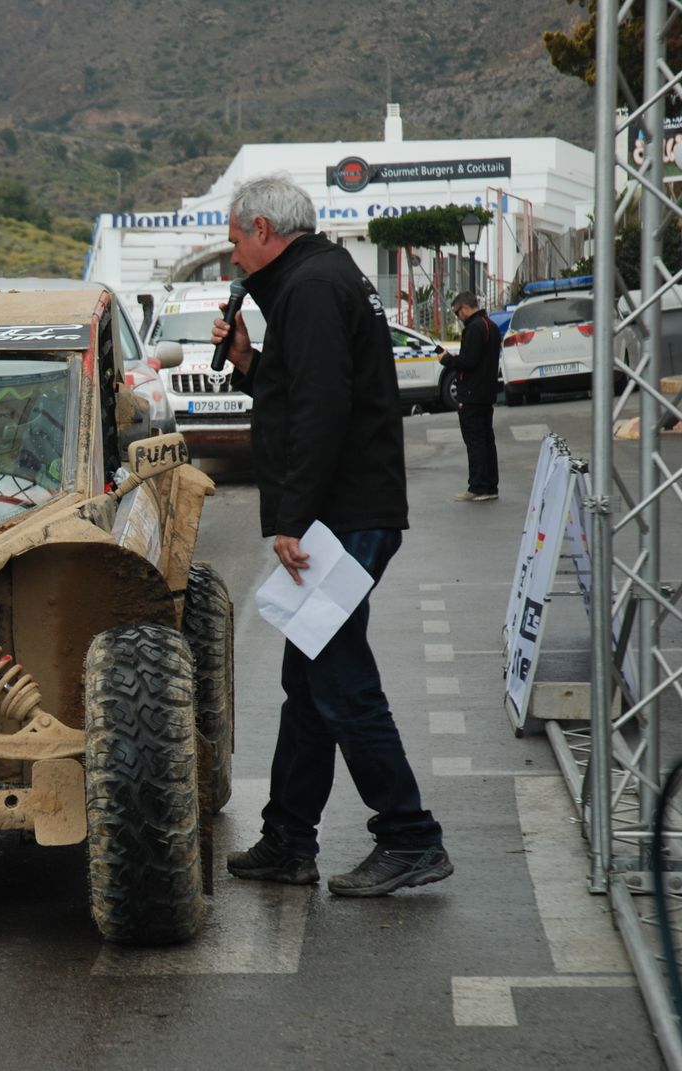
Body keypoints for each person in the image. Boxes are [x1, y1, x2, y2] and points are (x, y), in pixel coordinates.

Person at [210, 173, 451, 897]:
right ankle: (289, 836)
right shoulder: (320, 277)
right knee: (309, 683)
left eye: (235, 244)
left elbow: (320, 411)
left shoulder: (311, 289)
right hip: (348, 510)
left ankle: (410, 835)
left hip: (342, 517)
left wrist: (293, 519)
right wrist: (251, 363)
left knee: (341, 682)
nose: (233, 261)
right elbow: (299, 393)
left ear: (262, 229)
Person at [442, 292, 502, 502]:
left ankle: (478, 487)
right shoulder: (491, 326)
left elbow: (468, 361)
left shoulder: (474, 328)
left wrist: (447, 360)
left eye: (458, 312)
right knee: (487, 440)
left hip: (472, 394)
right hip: (486, 393)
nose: (458, 317)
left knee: (475, 441)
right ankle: (490, 485)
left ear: (465, 308)